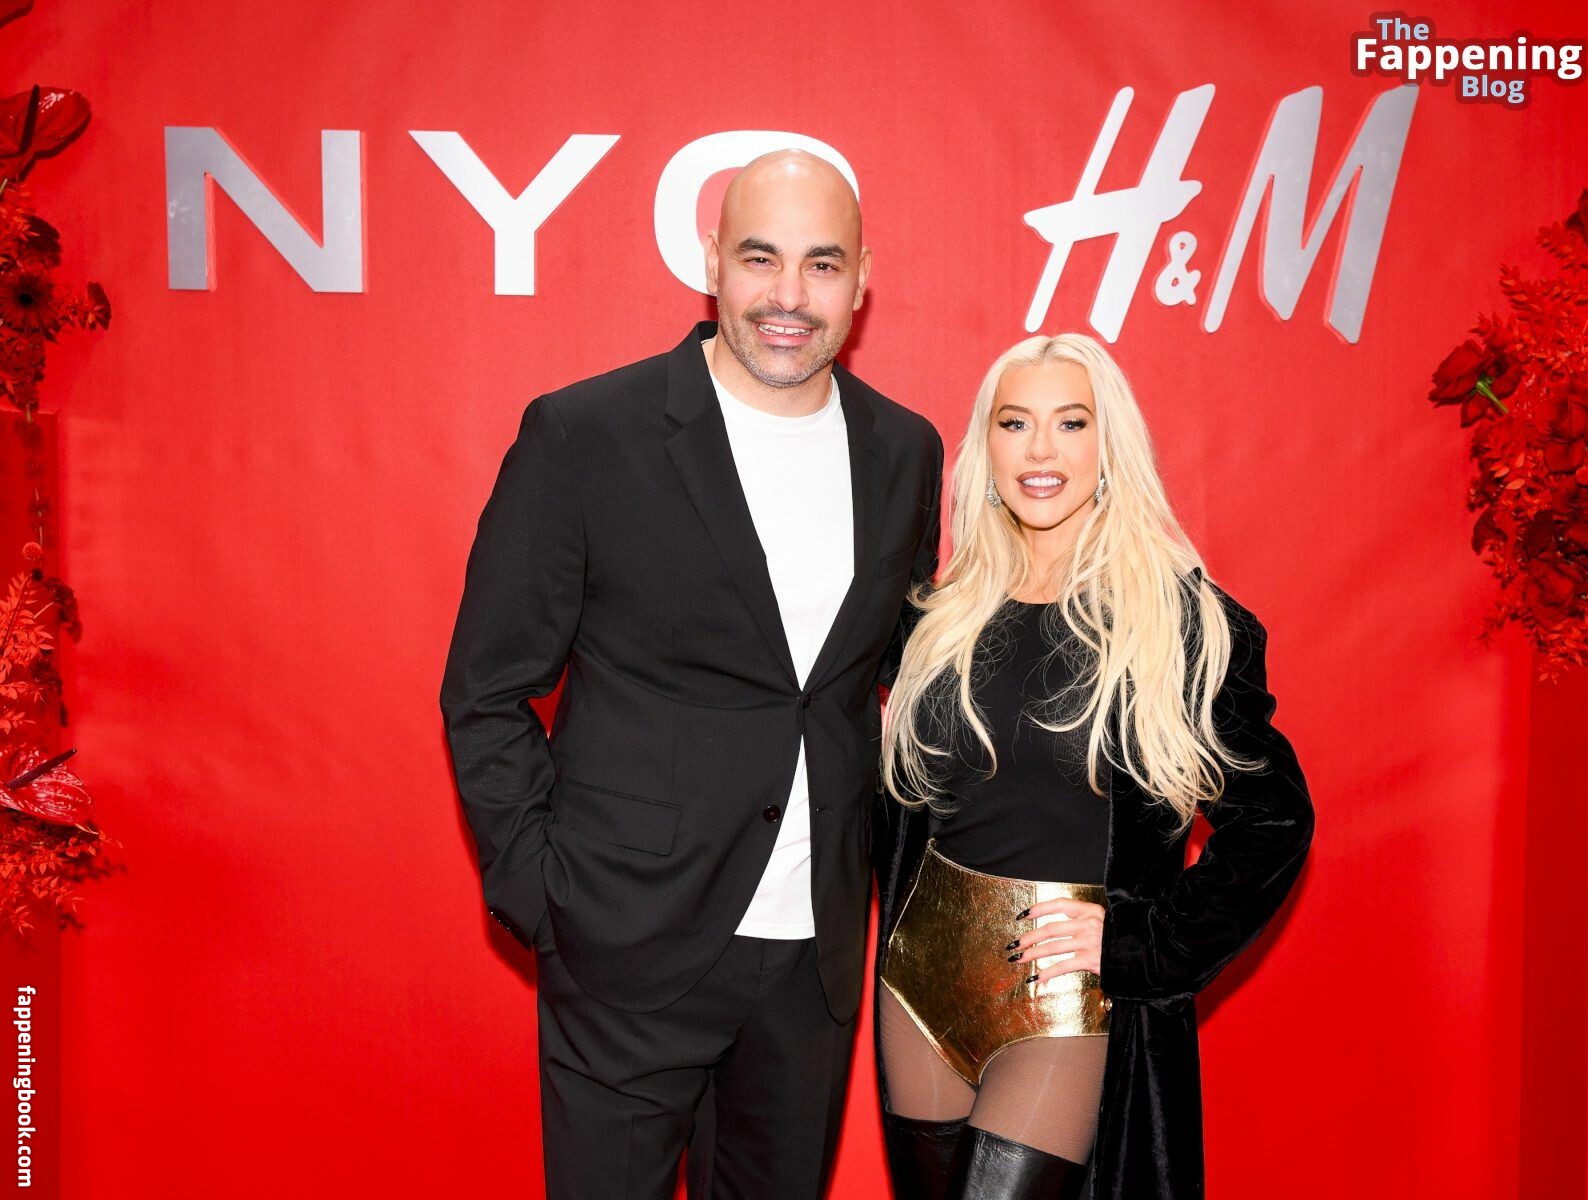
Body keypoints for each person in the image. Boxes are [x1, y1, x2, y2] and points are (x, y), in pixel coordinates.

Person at [438, 149, 943, 1200]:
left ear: (861, 281)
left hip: (810, 960)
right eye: (761, 258)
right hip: (623, 946)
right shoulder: (587, 434)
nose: (789, 295)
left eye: (821, 264)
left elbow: (903, 668)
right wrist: (546, 897)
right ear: (711, 260)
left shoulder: (904, 452)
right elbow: (485, 689)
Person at [871, 334, 1314, 1198]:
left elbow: (1274, 821)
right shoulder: (934, 620)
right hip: (918, 983)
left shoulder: (1181, 626)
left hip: (1069, 992)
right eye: (1015, 423)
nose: (1041, 449)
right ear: (986, 448)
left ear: (1110, 445)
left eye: (1071, 423)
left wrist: (1140, 942)